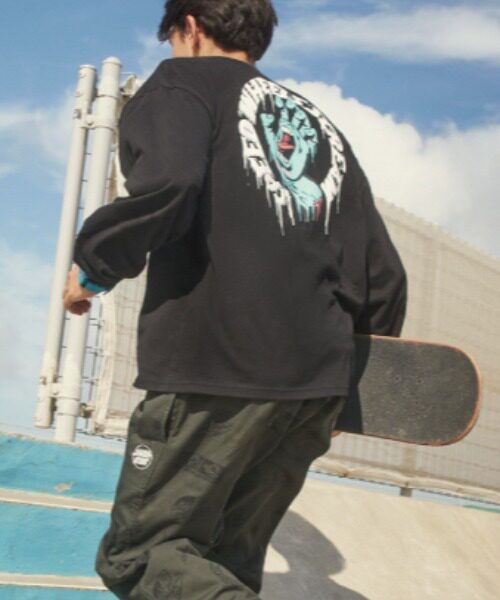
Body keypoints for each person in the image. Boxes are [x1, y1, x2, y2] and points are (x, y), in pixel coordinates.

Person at [62, 0, 407, 598]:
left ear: (190, 28)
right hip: (312, 390)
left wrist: (94, 267)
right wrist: (343, 392)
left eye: (173, 38)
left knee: (141, 557)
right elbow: (383, 272)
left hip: (216, 372)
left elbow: (171, 182)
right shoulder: (320, 127)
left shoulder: (184, 84)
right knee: (221, 565)